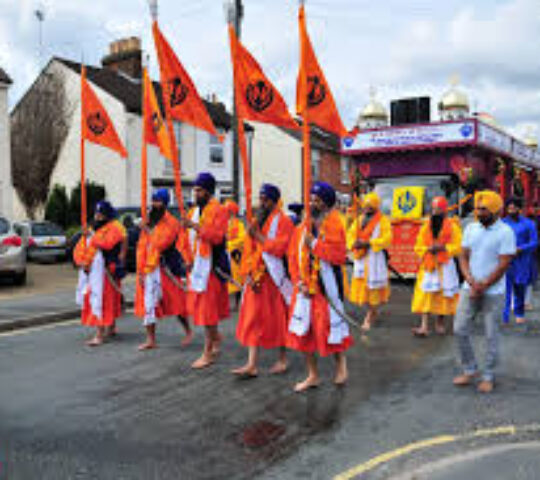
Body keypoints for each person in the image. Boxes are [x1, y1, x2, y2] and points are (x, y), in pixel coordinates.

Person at [288, 181, 353, 392]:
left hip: (326, 289)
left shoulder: (335, 224)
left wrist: (314, 244)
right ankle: (312, 375)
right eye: (311, 199)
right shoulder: (302, 227)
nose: (312, 203)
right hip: (305, 291)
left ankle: (341, 366)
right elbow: (292, 258)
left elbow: (338, 256)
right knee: (304, 333)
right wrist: (299, 282)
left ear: (326, 203)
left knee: (331, 330)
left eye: (317, 200)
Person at [454, 190, 516, 394]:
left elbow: (503, 264)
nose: (479, 212)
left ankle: (488, 375)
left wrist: (483, 286)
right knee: (459, 329)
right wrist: (471, 282)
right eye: (478, 208)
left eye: (483, 209)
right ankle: (469, 368)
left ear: (496, 210)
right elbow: (463, 256)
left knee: (491, 335)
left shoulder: (506, 232)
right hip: (469, 288)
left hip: (494, 292)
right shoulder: (470, 228)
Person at [232, 184, 294, 378]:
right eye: (260, 199)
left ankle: (283, 359)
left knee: (278, 319)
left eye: (266, 199)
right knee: (251, 319)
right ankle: (251, 364)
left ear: (275, 202)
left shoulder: (284, 221)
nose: (262, 203)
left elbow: (281, 248)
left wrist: (257, 236)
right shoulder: (255, 221)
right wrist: (247, 273)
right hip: (255, 279)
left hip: (274, 279)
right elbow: (248, 251)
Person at [181, 172, 230, 369]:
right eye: (194, 190)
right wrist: (187, 259)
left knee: (207, 311)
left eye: (199, 190)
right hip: (197, 266)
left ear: (208, 191)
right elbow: (186, 239)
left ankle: (207, 352)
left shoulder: (219, 210)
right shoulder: (194, 210)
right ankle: (215, 339)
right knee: (203, 309)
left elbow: (216, 237)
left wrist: (194, 226)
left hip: (212, 266)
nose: (196, 193)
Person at [134, 189, 191, 351]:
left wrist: (147, 230)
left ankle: (187, 330)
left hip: (166, 268)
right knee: (149, 304)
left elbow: (161, 243)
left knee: (176, 302)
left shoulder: (172, 222)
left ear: (165, 203)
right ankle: (151, 339)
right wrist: (140, 270)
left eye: (157, 201)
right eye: (153, 200)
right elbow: (141, 247)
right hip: (148, 268)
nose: (154, 204)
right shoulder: (148, 220)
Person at [74, 201, 127, 346]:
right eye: (96, 213)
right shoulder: (94, 228)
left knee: (103, 300)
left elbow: (107, 243)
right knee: (103, 299)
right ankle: (110, 327)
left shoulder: (115, 227)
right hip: (96, 270)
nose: (97, 216)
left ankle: (100, 334)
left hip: (108, 270)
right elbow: (83, 245)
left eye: (101, 214)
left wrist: (92, 235)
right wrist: (82, 260)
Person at [411, 197, 462, 336]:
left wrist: (443, 247)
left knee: (443, 295)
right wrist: (427, 249)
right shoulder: (425, 226)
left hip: (445, 265)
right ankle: (424, 326)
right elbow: (418, 246)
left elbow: (458, 247)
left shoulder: (453, 226)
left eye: (439, 209)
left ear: (445, 211)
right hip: (428, 266)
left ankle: (440, 323)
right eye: (433, 209)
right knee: (425, 294)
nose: (435, 212)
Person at [347, 192, 392, 332]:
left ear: (376, 207)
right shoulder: (359, 220)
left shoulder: (383, 220)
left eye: (370, 206)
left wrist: (369, 243)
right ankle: (372, 311)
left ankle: (369, 316)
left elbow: (387, 238)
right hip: (361, 258)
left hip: (374, 259)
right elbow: (350, 235)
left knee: (373, 290)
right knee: (363, 290)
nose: (367, 208)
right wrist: (353, 243)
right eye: (365, 206)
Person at [502, 198, 538, 324]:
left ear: (519, 209)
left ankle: (519, 312)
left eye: (514, 208)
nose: (511, 210)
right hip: (505, 260)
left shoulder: (529, 224)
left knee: (519, 287)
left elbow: (534, 242)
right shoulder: (502, 224)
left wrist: (521, 249)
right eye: (509, 208)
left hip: (522, 260)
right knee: (505, 288)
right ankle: (504, 315)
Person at [224, 200, 246, 310]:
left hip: (235, 256)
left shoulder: (239, 224)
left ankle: (237, 304)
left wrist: (230, 244)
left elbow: (242, 238)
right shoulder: (221, 223)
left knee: (237, 279)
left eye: (227, 211)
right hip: (224, 254)